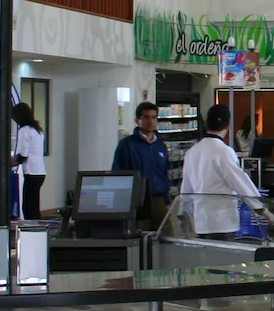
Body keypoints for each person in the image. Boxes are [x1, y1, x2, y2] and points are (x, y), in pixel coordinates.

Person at [180, 103, 265, 237]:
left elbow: (186, 189)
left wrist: (183, 213)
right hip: (223, 222)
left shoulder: (192, 151)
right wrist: (260, 208)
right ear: (228, 124)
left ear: (207, 123)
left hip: (201, 222)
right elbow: (238, 181)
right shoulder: (224, 151)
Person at [111, 101, 172, 231]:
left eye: (154, 117)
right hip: (137, 201)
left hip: (158, 199)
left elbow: (164, 172)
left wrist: (166, 196)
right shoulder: (127, 145)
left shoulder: (160, 145)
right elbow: (118, 173)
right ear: (138, 120)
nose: (150, 121)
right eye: (146, 117)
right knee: (140, 240)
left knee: (166, 238)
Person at [11, 102, 46, 218]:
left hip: (31, 171)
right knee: (34, 205)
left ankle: (32, 232)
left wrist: (10, 162)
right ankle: (38, 231)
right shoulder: (38, 130)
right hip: (40, 172)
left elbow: (23, 155)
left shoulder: (24, 131)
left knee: (28, 207)